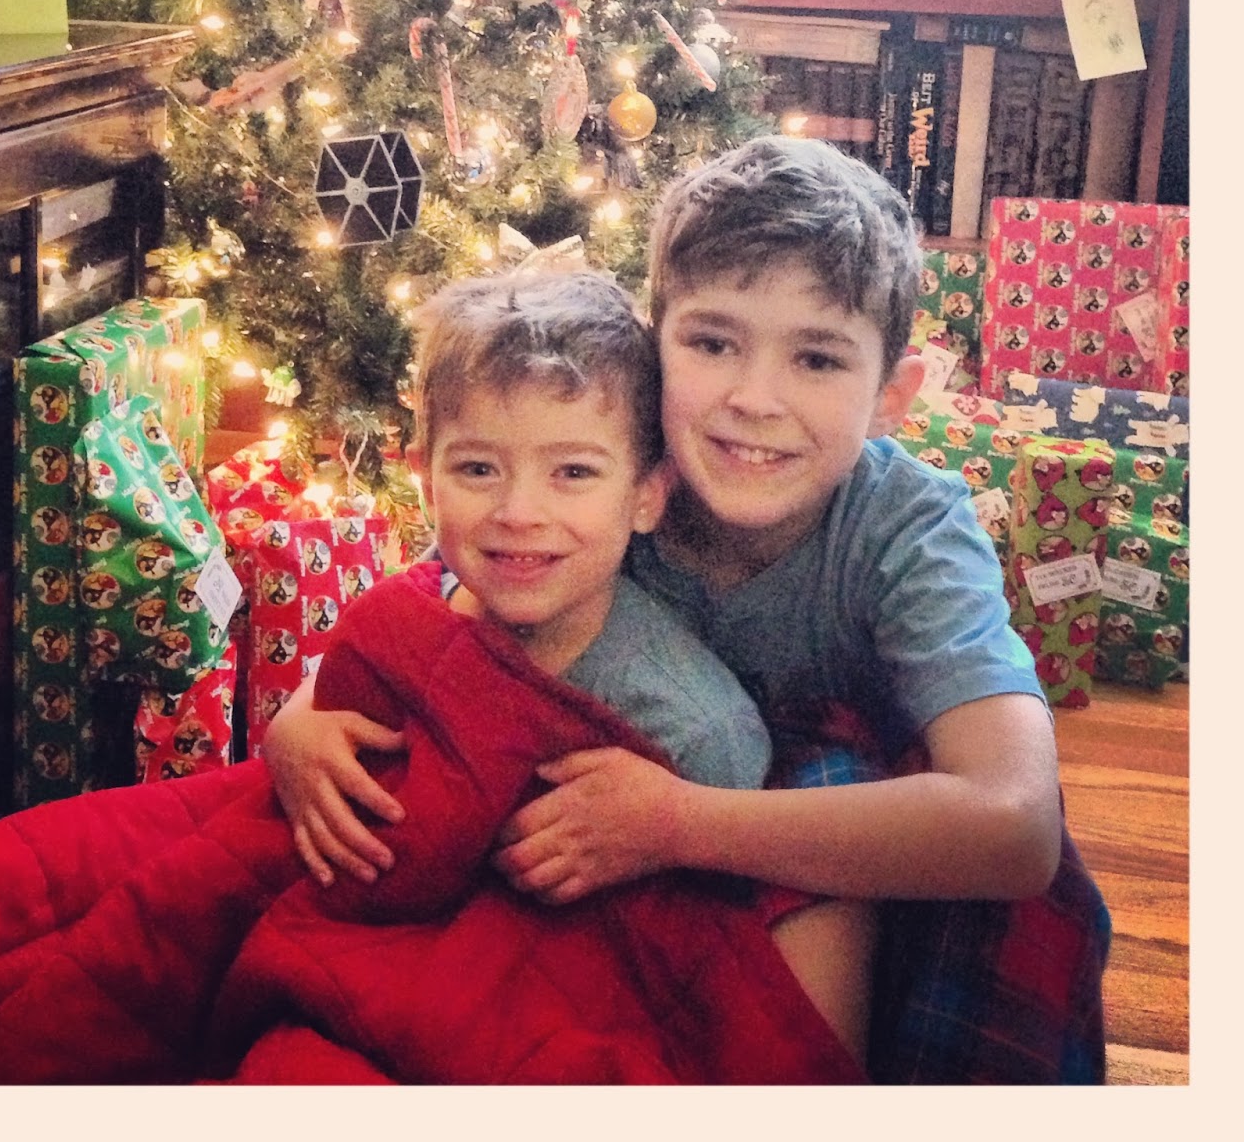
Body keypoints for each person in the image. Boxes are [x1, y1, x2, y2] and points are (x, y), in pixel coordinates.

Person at [266, 136, 1083, 1078]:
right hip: (593, 835)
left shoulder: (911, 530)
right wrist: (297, 721)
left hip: (835, 846)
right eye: (712, 343)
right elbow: (447, 601)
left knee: (845, 801)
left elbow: (1016, 822)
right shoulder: (608, 471)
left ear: (891, 396)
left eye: (818, 358)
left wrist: (678, 823)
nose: (754, 399)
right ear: (653, 351)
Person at [275, 262, 878, 1063]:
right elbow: (350, 693)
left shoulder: (692, 728)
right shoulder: (424, 604)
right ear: (425, 479)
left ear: (647, 495)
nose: (519, 512)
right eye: (478, 469)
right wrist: (292, 737)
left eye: (574, 473)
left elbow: (701, 955)